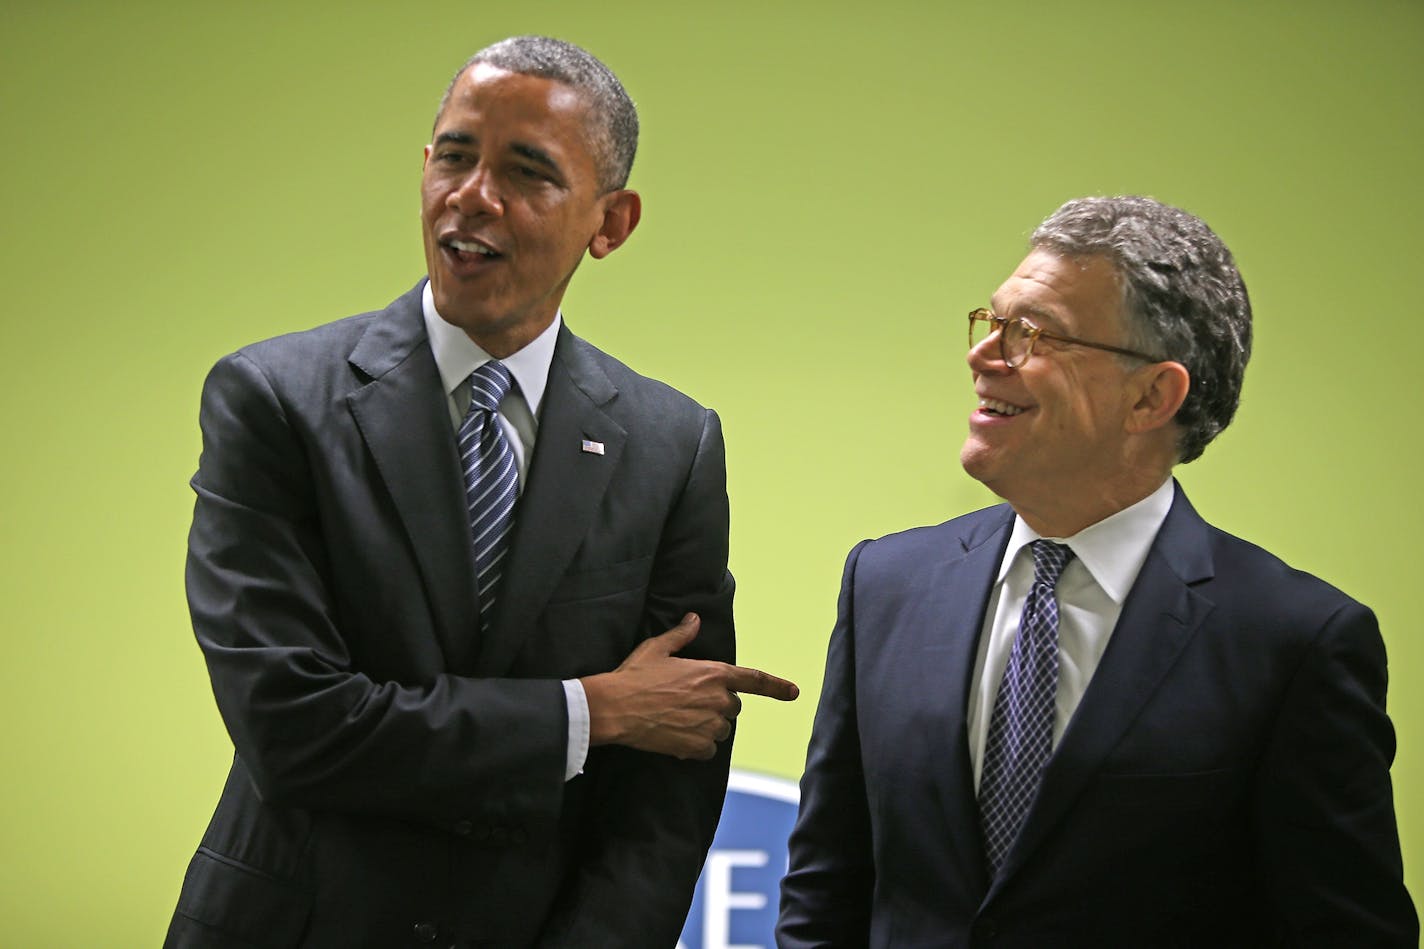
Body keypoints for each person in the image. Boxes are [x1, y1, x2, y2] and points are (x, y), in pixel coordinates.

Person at [165, 35, 797, 948]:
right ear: (424, 168)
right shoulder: (274, 401)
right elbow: (295, 725)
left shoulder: (674, 445)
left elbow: (671, 775)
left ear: (610, 223)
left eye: (528, 171)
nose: (473, 195)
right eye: (455, 156)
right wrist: (593, 709)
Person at [777, 196, 1416, 947]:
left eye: (1032, 333)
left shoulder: (1295, 642)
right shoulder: (886, 583)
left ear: (1152, 395)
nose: (984, 355)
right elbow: (828, 892)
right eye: (993, 322)